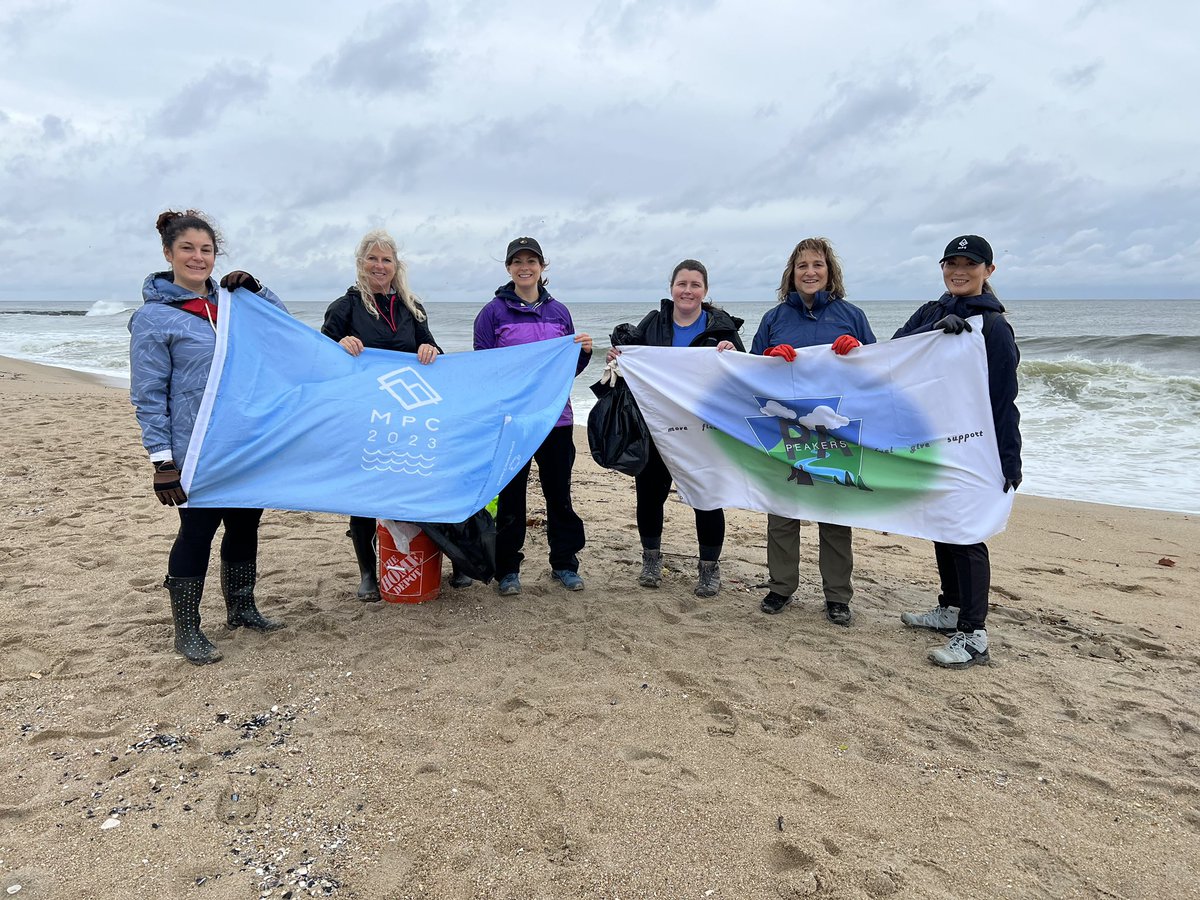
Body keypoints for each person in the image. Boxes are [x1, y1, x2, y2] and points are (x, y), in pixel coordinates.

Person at [129, 209, 287, 665]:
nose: (199, 258)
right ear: (168, 253)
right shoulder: (154, 318)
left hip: (243, 439)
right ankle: (188, 629)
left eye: (206, 250)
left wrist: (259, 289)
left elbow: (287, 332)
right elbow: (148, 393)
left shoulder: (233, 304)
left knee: (244, 525)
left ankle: (241, 608)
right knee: (197, 532)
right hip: (195, 447)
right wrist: (162, 460)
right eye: (188, 249)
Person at [320, 229, 471, 600]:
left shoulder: (410, 305)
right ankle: (368, 574)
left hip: (408, 414)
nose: (379, 265)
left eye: (386, 259)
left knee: (421, 481)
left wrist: (428, 349)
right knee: (365, 493)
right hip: (366, 415)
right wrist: (340, 344)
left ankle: (452, 563)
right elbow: (319, 355)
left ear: (396, 265)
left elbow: (432, 346)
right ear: (361, 263)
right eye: (372, 258)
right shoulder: (346, 306)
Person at [894, 234, 1022, 669]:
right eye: (951, 263)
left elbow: (1004, 399)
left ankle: (974, 633)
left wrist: (1009, 459)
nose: (959, 271)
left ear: (989, 271)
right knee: (945, 525)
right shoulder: (932, 310)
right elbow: (896, 352)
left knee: (967, 535)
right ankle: (950, 608)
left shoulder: (995, 327)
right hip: (934, 442)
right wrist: (933, 332)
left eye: (970, 263)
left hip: (976, 447)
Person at [750, 237, 876, 625]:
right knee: (782, 513)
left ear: (830, 271)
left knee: (835, 514)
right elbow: (749, 371)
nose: (810, 272)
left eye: (817, 265)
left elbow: (876, 370)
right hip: (785, 428)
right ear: (792, 272)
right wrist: (768, 359)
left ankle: (837, 595)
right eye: (802, 265)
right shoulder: (774, 319)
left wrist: (857, 349)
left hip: (835, 429)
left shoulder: (850, 315)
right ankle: (781, 586)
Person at [606, 259, 745, 597]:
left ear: (705, 291)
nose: (688, 290)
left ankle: (709, 569)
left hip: (703, 432)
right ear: (671, 288)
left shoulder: (722, 330)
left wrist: (732, 353)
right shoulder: (654, 323)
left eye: (695, 285)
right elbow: (631, 361)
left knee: (707, 499)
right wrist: (617, 358)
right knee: (650, 497)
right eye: (682, 283)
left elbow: (743, 376)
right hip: (657, 429)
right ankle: (651, 560)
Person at [473, 237, 593, 596]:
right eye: (517, 261)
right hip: (512, 422)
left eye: (532, 261)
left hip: (556, 419)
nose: (525, 267)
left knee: (559, 495)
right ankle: (507, 569)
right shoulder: (492, 313)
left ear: (542, 267)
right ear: (509, 268)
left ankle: (565, 564)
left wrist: (584, 354)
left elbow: (564, 370)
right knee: (511, 496)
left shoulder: (559, 313)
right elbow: (484, 369)